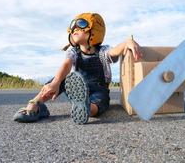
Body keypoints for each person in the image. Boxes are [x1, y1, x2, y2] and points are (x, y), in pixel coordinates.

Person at [13, 12, 142, 124]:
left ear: (95, 31)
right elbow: (67, 64)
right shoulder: (73, 52)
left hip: (98, 90)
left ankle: (86, 108)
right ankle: (36, 103)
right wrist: (55, 83)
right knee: (61, 78)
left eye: (80, 24)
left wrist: (126, 43)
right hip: (77, 85)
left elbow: (114, 51)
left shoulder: (102, 51)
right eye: (72, 25)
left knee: (100, 101)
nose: (75, 27)